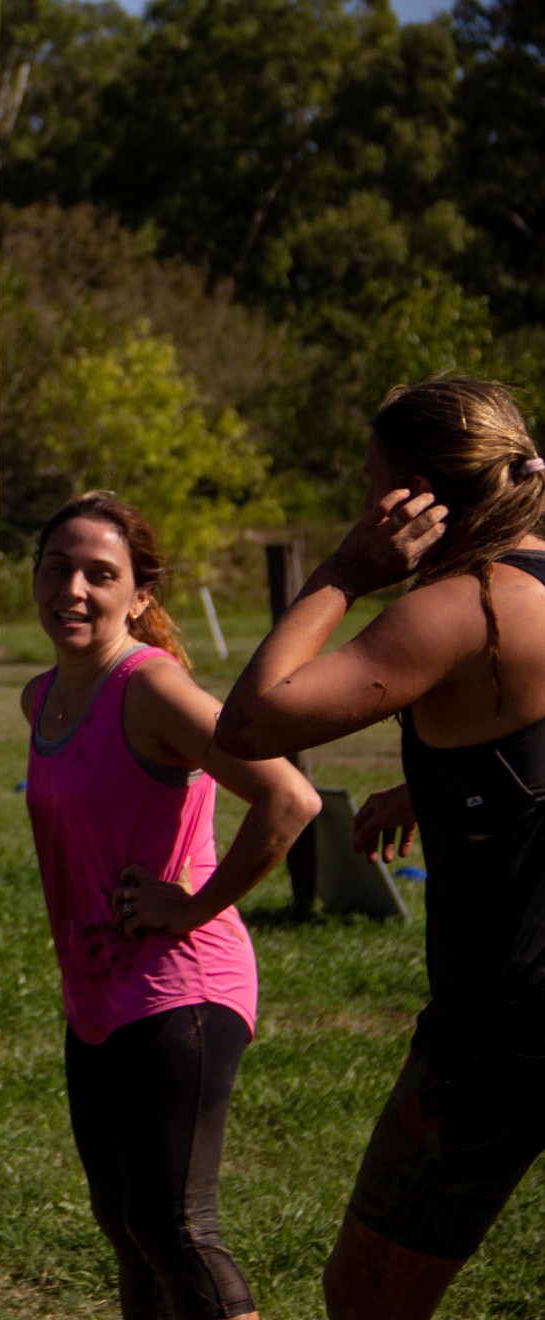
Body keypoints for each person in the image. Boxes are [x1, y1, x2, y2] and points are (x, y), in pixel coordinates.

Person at [214, 377, 545, 1319]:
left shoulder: (464, 611)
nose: (367, 504)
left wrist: (347, 573)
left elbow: (250, 723)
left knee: (366, 1298)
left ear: (416, 496)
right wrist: (435, 783)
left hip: (504, 1029)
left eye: (374, 485)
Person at [24, 492, 320, 1320]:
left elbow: (288, 800)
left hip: (180, 989)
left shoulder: (149, 687)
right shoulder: (41, 697)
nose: (73, 589)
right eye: (58, 567)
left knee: (176, 1227)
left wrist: (190, 908)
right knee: (127, 1225)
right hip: (97, 997)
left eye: (100, 574)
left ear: (139, 596)